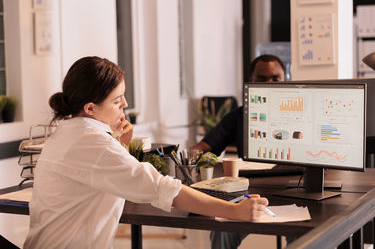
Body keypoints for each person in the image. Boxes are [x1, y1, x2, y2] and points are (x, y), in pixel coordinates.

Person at [23, 56, 269, 249]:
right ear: (90, 108)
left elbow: (105, 177)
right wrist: (234, 211)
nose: (126, 105)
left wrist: (120, 145)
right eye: (118, 101)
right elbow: (161, 188)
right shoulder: (92, 142)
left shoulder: (65, 133)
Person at [190, 54, 286, 249]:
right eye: (261, 78)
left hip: (293, 191)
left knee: (306, 237)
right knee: (221, 232)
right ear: (250, 81)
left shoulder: (302, 115)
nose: (268, 83)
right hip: (249, 193)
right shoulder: (238, 116)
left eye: (275, 78)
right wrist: (194, 157)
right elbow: (201, 149)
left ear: (285, 80)